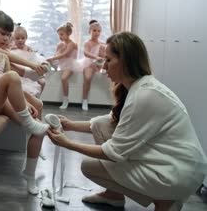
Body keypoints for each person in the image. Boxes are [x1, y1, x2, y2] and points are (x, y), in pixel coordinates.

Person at [46, 32, 207, 211]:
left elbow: (113, 152)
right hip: (178, 165)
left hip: (179, 173)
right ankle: (113, 195)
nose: (103, 67)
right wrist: (69, 125)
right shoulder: (139, 87)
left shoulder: (144, 95)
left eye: (108, 60)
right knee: (101, 125)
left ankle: (166, 200)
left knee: (88, 166)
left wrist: (67, 143)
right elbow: (112, 121)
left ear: (125, 61)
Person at [0, 8, 53, 194]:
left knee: (38, 127)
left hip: (2, 99)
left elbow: (10, 84)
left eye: (8, 35)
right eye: (2, 34)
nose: (6, 39)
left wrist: (25, 102)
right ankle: (28, 123)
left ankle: (29, 173)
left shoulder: (3, 56)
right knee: (12, 76)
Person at [47, 22, 78, 109]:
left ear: (68, 34)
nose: (60, 37)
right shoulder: (61, 44)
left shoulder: (72, 44)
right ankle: (54, 66)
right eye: (59, 35)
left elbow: (65, 54)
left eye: (62, 34)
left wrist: (53, 58)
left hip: (70, 64)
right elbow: (58, 54)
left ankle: (66, 99)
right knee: (50, 57)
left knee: (64, 78)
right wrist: (53, 58)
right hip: (62, 63)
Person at [81, 20, 106, 111]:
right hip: (89, 63)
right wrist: (96, 57)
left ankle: (104, 68)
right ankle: (84, 100)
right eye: (94, 30)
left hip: (99, 63)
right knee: (87, 78)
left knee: (104, 49)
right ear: (90, 31)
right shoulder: (88, 43)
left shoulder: (102, 43)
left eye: (99, 31)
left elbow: (106, 54)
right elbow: (85, 53)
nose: (97, 33)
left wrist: (101, 57)